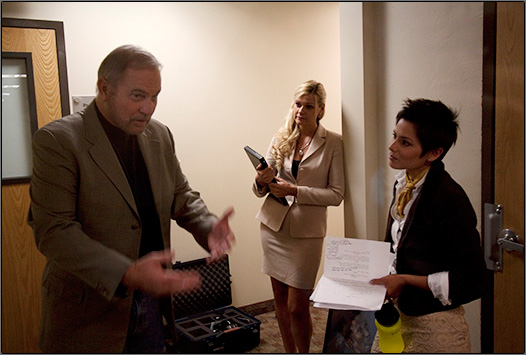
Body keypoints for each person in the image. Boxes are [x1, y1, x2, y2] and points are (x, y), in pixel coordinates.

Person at [27, 44, 235, 353]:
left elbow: (181, 195)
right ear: (104, 88)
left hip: (151, 305)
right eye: (138, 96)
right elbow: (54, 231)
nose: (149, 108)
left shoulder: (159, 135)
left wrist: (207, 226)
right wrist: (127, 273)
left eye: (155, 96)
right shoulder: (59, 141)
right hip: (89, 311)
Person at [369, 98, 486, 353]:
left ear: (434, 153)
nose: (392, 147)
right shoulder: (405, 182)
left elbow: (472, 279)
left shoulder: (449, 198)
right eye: (395, 136)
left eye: (405, 142)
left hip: (434, 325)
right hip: (399, 316)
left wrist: (405, 280)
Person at [252, 80, 345, 353]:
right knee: (279, 300)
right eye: (298, 104)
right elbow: (260, 188)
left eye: (308, 106)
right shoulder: (280, 138)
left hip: (307, 235)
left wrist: (296, 190)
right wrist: (261, 179)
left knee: (298, 307)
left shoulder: (334, 143)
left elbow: (336, 194)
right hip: (273, 226)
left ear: (321, 110)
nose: (301, 111)